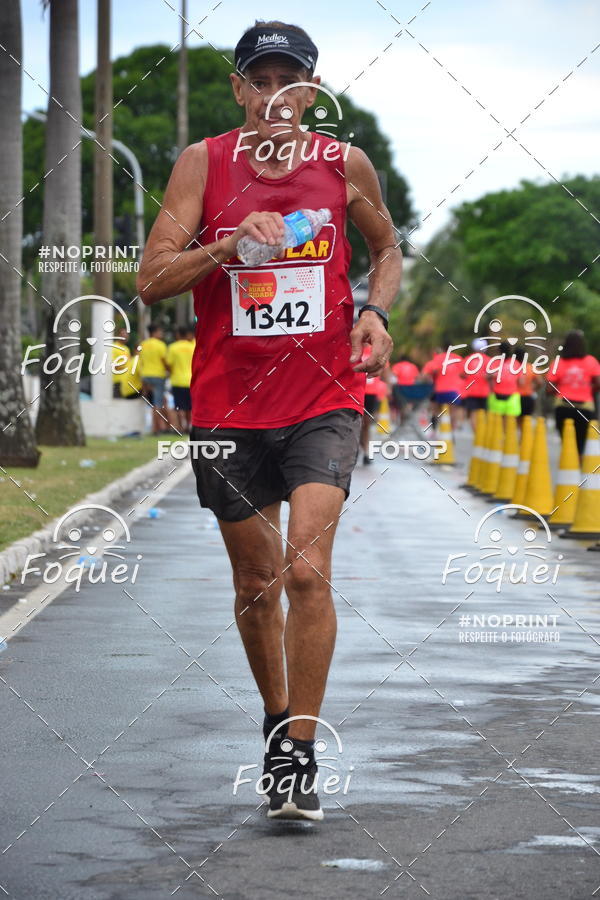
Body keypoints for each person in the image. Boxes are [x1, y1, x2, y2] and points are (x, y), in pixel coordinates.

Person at [136, 20, 401, 821]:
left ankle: (299, 754)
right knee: (257, 585)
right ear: (239, 89)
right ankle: (276, 720)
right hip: (229, 404)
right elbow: (151, 279)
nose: (275, 95)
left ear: (311, 93)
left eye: (291, 82)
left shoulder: (343, 165)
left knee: (306, 571)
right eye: (261, 80)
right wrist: (223, 246)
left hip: (325, 396)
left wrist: (375, 313)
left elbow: (387, 249)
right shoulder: (203, 163)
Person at [546, 329, 600, 455]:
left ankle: (567, 463)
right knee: (581, 444)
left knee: (566, 443)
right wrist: (588, 389)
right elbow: (599, 383)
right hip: (585, 407)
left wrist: (562, 390)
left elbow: (549, 388)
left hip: (563, 406)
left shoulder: (558, 362)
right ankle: (579, 463)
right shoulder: (591, 361)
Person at [422, 341, 463, 432]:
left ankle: (437, 430)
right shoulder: (458, 358)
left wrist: (431, 379)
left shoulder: (437, 359)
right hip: (454, 390)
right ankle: (451, 432)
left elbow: (425, 375)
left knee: (437, 412)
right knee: (453, 412)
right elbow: (465, 374)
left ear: (443, 348)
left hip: (440, 389)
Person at [138, 323, 169, 434]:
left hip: (145, 376)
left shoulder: (143, 344)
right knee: (157, 403)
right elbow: (164, 361)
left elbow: (140, 360)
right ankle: (155, 429)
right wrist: (169, 370)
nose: (161, 333)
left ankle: (158, 426)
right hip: (157, 376)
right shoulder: (161, 345)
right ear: (154, 332)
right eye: (160, 331)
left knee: (151, 403)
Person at [166, 325, 195, 432]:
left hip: (177, 381)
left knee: (179, 406)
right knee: (190, 407)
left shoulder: (173, 347)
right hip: (190, 380)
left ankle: (181, 427)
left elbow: (168, 364)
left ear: (178, 335)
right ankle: (188, 426)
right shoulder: (192, 346)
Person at [486, 340, 522, 419]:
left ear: (499, 351)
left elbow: (488, 377)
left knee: (497, 422)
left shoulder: (494, 362)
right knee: (510, 422)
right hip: (512, 396)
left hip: (496, 396)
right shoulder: (515, 363)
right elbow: (521, 382)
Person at [461, 338, 491, 430]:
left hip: (471, 391)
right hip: (484, 391)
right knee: (484, 413)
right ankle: (482, 432)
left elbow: (461, 374)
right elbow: (492, 374)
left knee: (473, 413)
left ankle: (476, 432)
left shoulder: (468, 359)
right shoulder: (488, 360)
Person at [514, 345, 541, 421]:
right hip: (528, 397)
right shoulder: (530, 367)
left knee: (514, 421)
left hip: (514, 398)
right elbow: (540, 382)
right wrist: (533, 389)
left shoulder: (512, 368)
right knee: (526, 421)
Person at [391, 354, 419, 424]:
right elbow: (417, 377)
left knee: (400, 404)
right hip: (411, 387)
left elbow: (393, 376)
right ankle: (407, 419)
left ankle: (401, 420)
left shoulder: (397, 366)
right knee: (408, 404)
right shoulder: (413, 366)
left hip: (400, 387)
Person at [111, 327, 131, 398]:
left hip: (126, 381)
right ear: (118, 335)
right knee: (118, 401)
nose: (126, 336)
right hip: (118, 381)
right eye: (123, 334)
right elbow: (112, 364)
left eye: (127, 334)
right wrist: (124, 367)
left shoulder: (126, 348)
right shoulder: (114, 347)